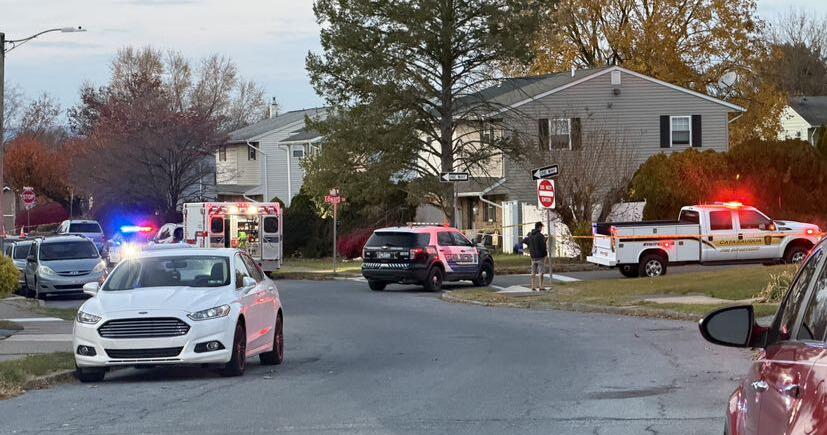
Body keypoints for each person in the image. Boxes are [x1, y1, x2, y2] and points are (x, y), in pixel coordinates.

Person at [522, 222, 548, 291]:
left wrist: (528, 238)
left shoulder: (530, 235)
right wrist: (545, 254)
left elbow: (523, 241)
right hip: (540, 257)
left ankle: (533, 286)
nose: (542, 229)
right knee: (541, 272)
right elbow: (543, 247)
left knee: (533, 273)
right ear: (539, 227)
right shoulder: (540, 236)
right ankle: (541, 286)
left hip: (533, 257)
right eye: (541, 227)